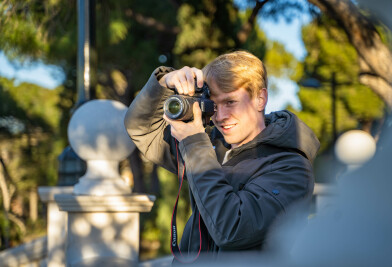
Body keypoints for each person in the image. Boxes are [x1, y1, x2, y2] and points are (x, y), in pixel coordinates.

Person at [124, 50, 320, 263]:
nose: (220, 116)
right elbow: (141, 128)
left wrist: (195, 145)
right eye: (214, 105)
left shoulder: (290, 166)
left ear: (260, 98)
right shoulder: (211, 144)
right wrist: (164, 81)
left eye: (230, 102)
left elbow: (233, 229)